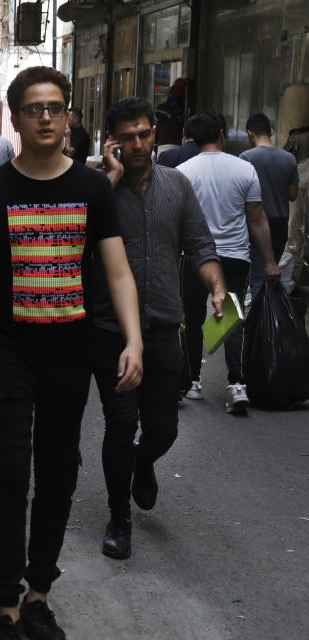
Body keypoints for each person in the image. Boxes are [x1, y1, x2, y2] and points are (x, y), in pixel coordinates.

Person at [0, 66, 143, 640]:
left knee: (57, 472)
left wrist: (134, 339)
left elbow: (117, 271)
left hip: (69, 351)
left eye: (56, 108)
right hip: (7, 350)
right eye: (35, 108)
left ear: (68, 114)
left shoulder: (92, 189)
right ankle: (5, 603)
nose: (47, 117)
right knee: (6, 468)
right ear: (17, 117)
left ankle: (38, 596)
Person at [94, 97, 226, 560]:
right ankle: (118, 518)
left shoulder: (178, 186)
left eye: (144, 135)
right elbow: (74, 237)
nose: (137, 145)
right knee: (120, 420)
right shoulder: (96, 187)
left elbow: (200, 243)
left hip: (164, 324)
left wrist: (215, 286)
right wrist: (108, 178)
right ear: (111, 140)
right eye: (126, 137)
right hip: (110, 327)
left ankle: (142, 461)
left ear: (155, 135)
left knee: (164, 428)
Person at [176, 111, 280, 414]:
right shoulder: (244, 169)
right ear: (222, 133)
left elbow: (176, 221)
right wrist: (270, 261)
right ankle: (237, 385)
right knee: (232, 319)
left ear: (192, 138)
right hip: (235, 257)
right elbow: (257, 218)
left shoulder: (182, 171)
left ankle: (193, 381)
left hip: (195, 258)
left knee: (192, 321)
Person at [241, 113, 299, 298]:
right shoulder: (289, 158)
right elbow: (293, 195)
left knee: (257, 276)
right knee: (272, 273)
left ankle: (261, 323)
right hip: (281, 223)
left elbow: (239, 195)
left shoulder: (246, 157)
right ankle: (270, 317)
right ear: (271, 132)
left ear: (250, 133)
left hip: (255, 223)